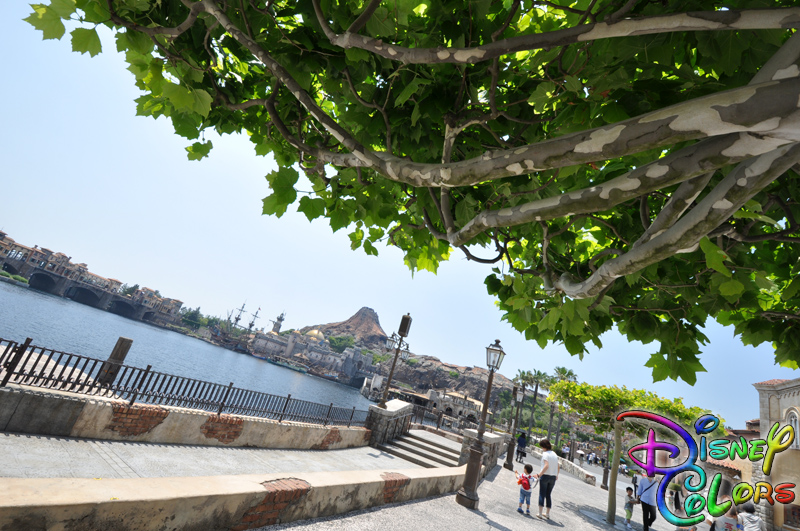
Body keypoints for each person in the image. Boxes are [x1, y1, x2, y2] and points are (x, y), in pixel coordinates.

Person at [534, 438, 560, 519]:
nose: (542, 448)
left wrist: (539, 475)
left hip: (545, 476)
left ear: (544, 447)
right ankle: (547, 514)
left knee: (542, 494)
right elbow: (558, 466)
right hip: (553, 477)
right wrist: (556, 475)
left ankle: (540, 513)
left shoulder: (545, 454)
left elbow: (546, 465)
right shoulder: (554, 454)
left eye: (542, 447)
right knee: (548, 495)